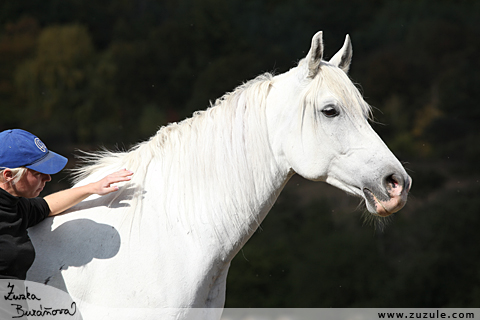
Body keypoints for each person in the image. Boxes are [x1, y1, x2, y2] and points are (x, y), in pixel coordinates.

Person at [0, 129, 133, 280]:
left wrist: (93, 187)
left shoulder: (15, 206)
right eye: (38, 173)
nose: (48, 178)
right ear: (9, 175)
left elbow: (47, 205)